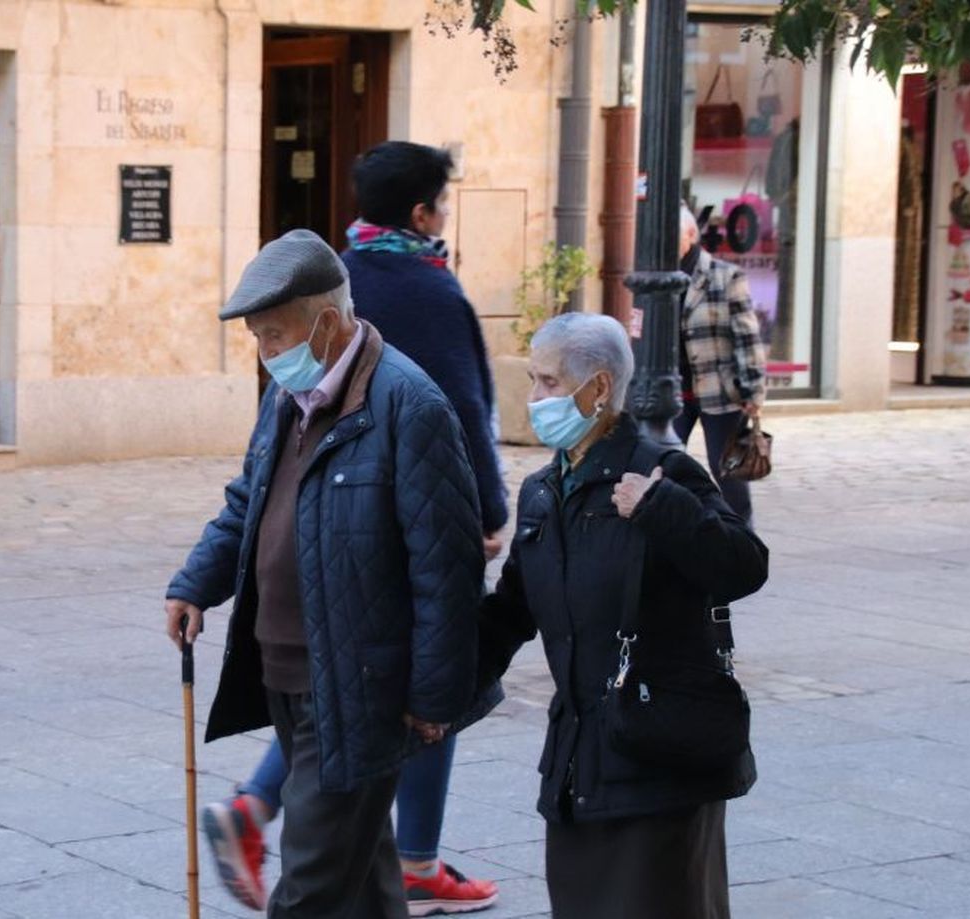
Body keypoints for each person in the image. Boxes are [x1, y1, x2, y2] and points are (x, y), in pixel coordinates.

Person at [202, 141, 506, 916]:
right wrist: (193, 582)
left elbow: (446, 569)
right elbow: (249, 499)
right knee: (363, 876)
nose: (267, 356)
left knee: (309, 880)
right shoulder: (287, 398)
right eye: (259, 340)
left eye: (275, 337)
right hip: (290, 666)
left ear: (330, 323)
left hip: (362, 673)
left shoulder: (410, 404)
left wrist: (435, 696)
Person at [475, 312, 768, 919]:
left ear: (599, 388)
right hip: (580, 762)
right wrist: (429, 688)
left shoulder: (662, 469)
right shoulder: (542, 491)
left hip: (661, 759)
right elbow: (509, 616)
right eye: (533, 380)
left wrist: (662, 507)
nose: (534, 398)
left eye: (549, 382)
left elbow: (744, 565)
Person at [677, 205, 767, 525]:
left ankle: (742, 538)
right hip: (673, 394)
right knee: (662, 464)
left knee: (728, 472)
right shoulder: (658, 274)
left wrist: (753, 391)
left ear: (690, 234)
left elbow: (747, 337)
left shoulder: (725, 276)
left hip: (719, 390)